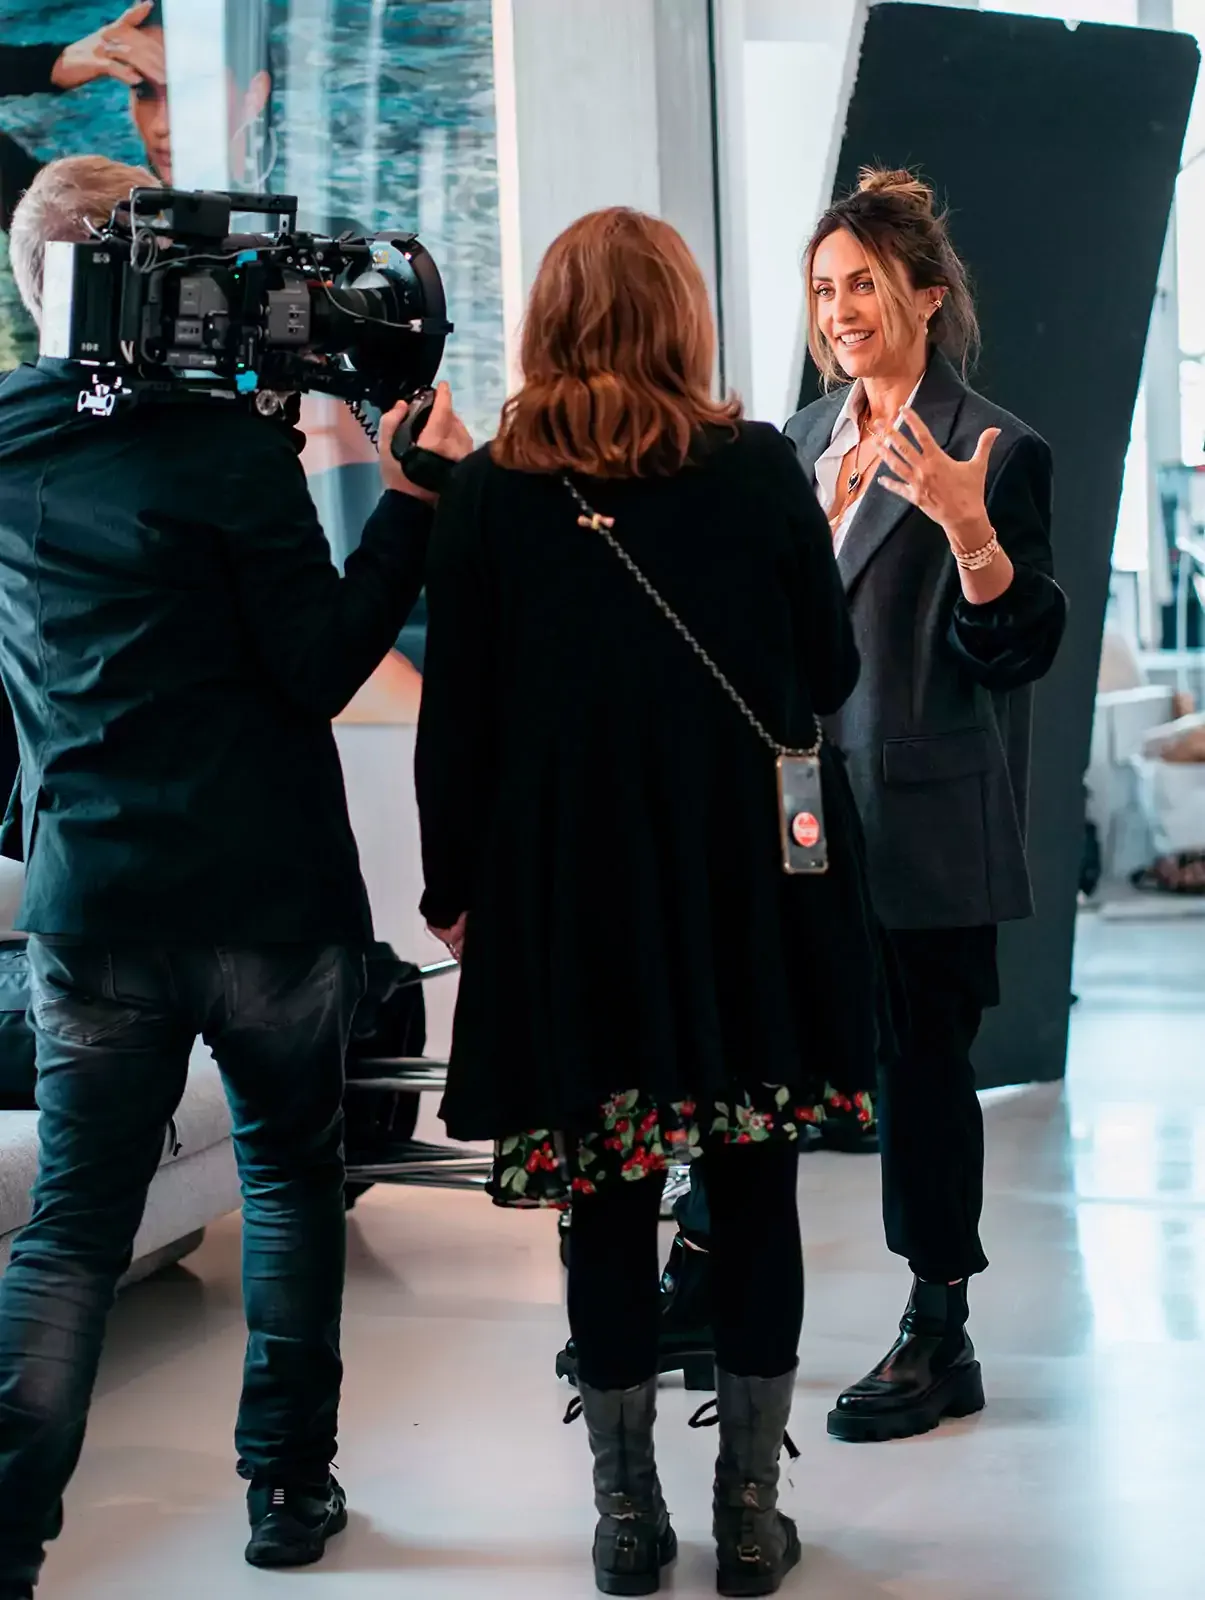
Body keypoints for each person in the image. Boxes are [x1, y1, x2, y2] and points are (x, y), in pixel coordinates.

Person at [0, 154, 471, 1596]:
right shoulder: (224, 453)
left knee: (72, 1227)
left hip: (94, 898)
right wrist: (411, 503)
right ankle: (287, 1489)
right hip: (266, 894)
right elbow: (321, 665)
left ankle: (7, 1533)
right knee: (287, 1183)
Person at [415, 207, 887, 1599]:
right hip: (742, 893)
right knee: (752, 1189)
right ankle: (747, 1515)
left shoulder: (492, 490)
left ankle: (626, 1520)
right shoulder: (756, 469)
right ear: (683, 317)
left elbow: (457, 723)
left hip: (572, 903)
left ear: (550, 319)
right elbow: (827, 672)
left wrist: (452, 890)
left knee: (604, 1196)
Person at [783, 168, 1066, 1443]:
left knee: (921, 1074)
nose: (839, 310)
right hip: (794, 819)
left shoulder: (991, 446)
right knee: (756, 1046)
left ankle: (937, 1327)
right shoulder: (796, 442)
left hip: (923, 824)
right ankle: (702, 1276)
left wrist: (968, 534)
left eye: (863, 286)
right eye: (822, 288)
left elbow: (1013, 648)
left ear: (925, 295)